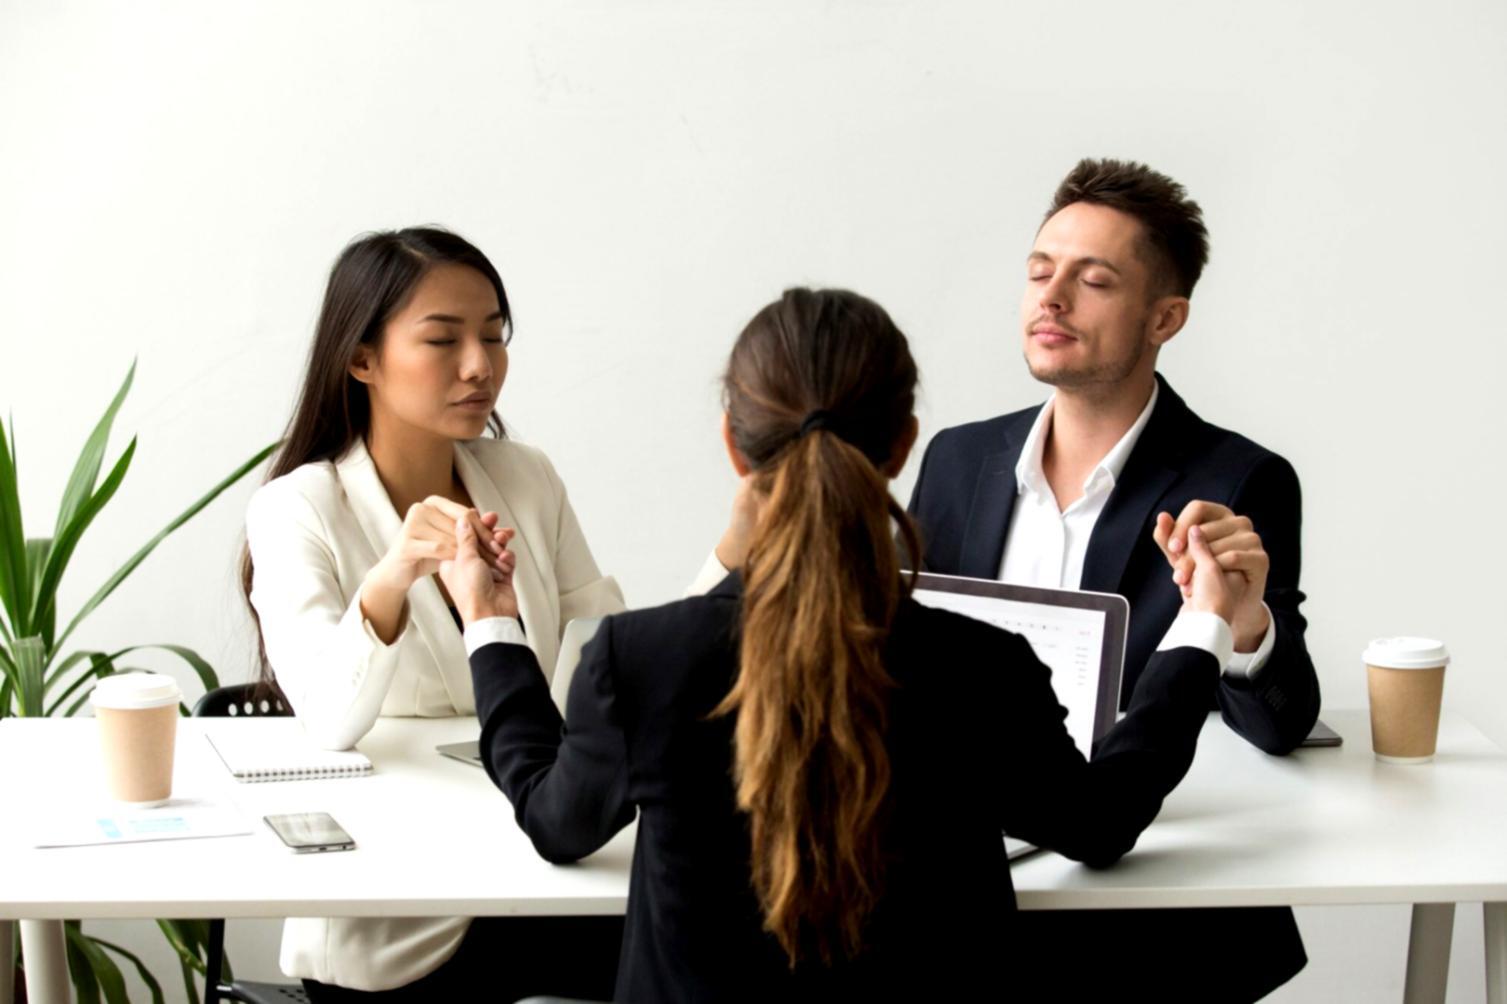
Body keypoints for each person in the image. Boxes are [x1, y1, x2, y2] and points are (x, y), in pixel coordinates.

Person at [441, 287, 1246, 999]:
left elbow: (556, 823)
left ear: (732, 443)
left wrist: (489, 622)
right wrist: (1200, 626)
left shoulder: (641, 660)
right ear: (901, 445)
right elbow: (1099, 823)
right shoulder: (981, 666)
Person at [906, 159, 1316, 999]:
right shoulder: (957, 457)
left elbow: (1283, 725)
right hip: (962, 866)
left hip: (1141, 890)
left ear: (1164, 317)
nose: (1049, 298)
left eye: (1092, 280)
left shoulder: (1238, 479)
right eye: (1037, 272)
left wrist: (1243, 627)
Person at [241, 227, 625, 1001]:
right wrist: (390, 580)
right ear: (361, 360)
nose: (480, 365)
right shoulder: (297, 508)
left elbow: (600, 656)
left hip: (544, 869)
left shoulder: (526, 477)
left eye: (493, 336)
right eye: (443, 339)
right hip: (397, 911)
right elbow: (327, 720)